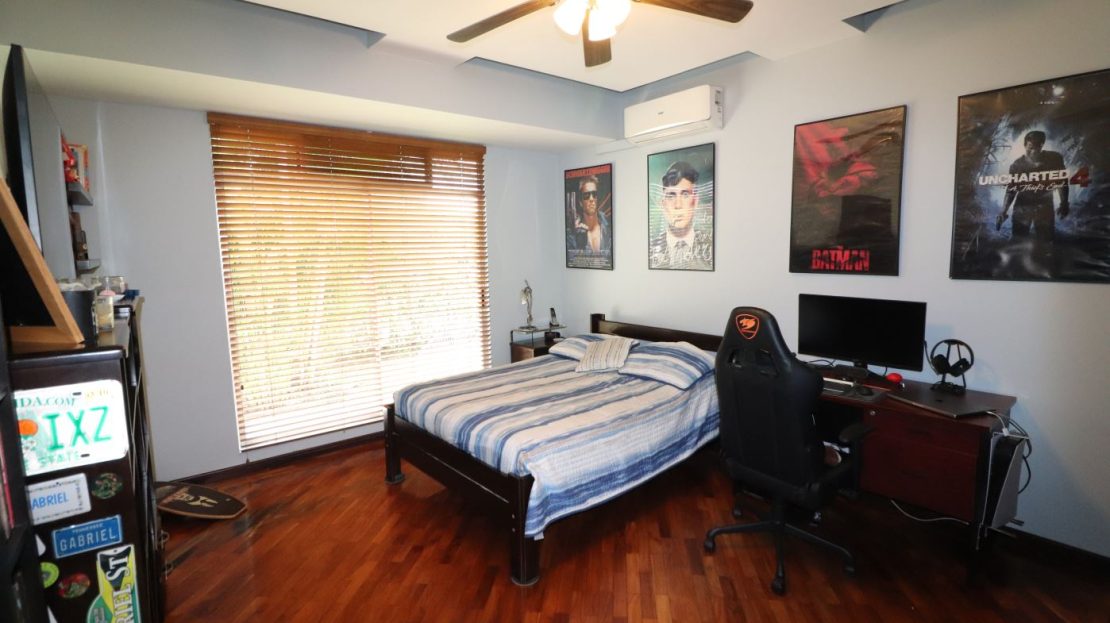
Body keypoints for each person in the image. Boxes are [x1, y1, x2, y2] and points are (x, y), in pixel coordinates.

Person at [998, 130, 1070, 240]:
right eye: (1030, 147)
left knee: (1045, 241)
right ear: (1025, 145)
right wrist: (1003, 212)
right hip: (1023, 206)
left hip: (1044, 206)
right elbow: (1011, 190)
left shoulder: (1054, 159)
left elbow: (1062, 182)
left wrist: (1064, 203)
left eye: (1037, 147)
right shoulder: (1017, 165)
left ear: (1042, 145)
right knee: (1018, 240)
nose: (1034, 151)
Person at [649, 161, 712, 270]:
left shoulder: (710, 247)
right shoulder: (651, 249)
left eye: (685, 195)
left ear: (695, 202)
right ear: (663, 204)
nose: (678, 205)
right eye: (671, 196)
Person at [568, 176, 611, 254]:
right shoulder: (573, 235)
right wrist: (579, 245)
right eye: (586, 195)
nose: (591, 199)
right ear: (580, 202)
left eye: (594, 194)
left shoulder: (608, 228)